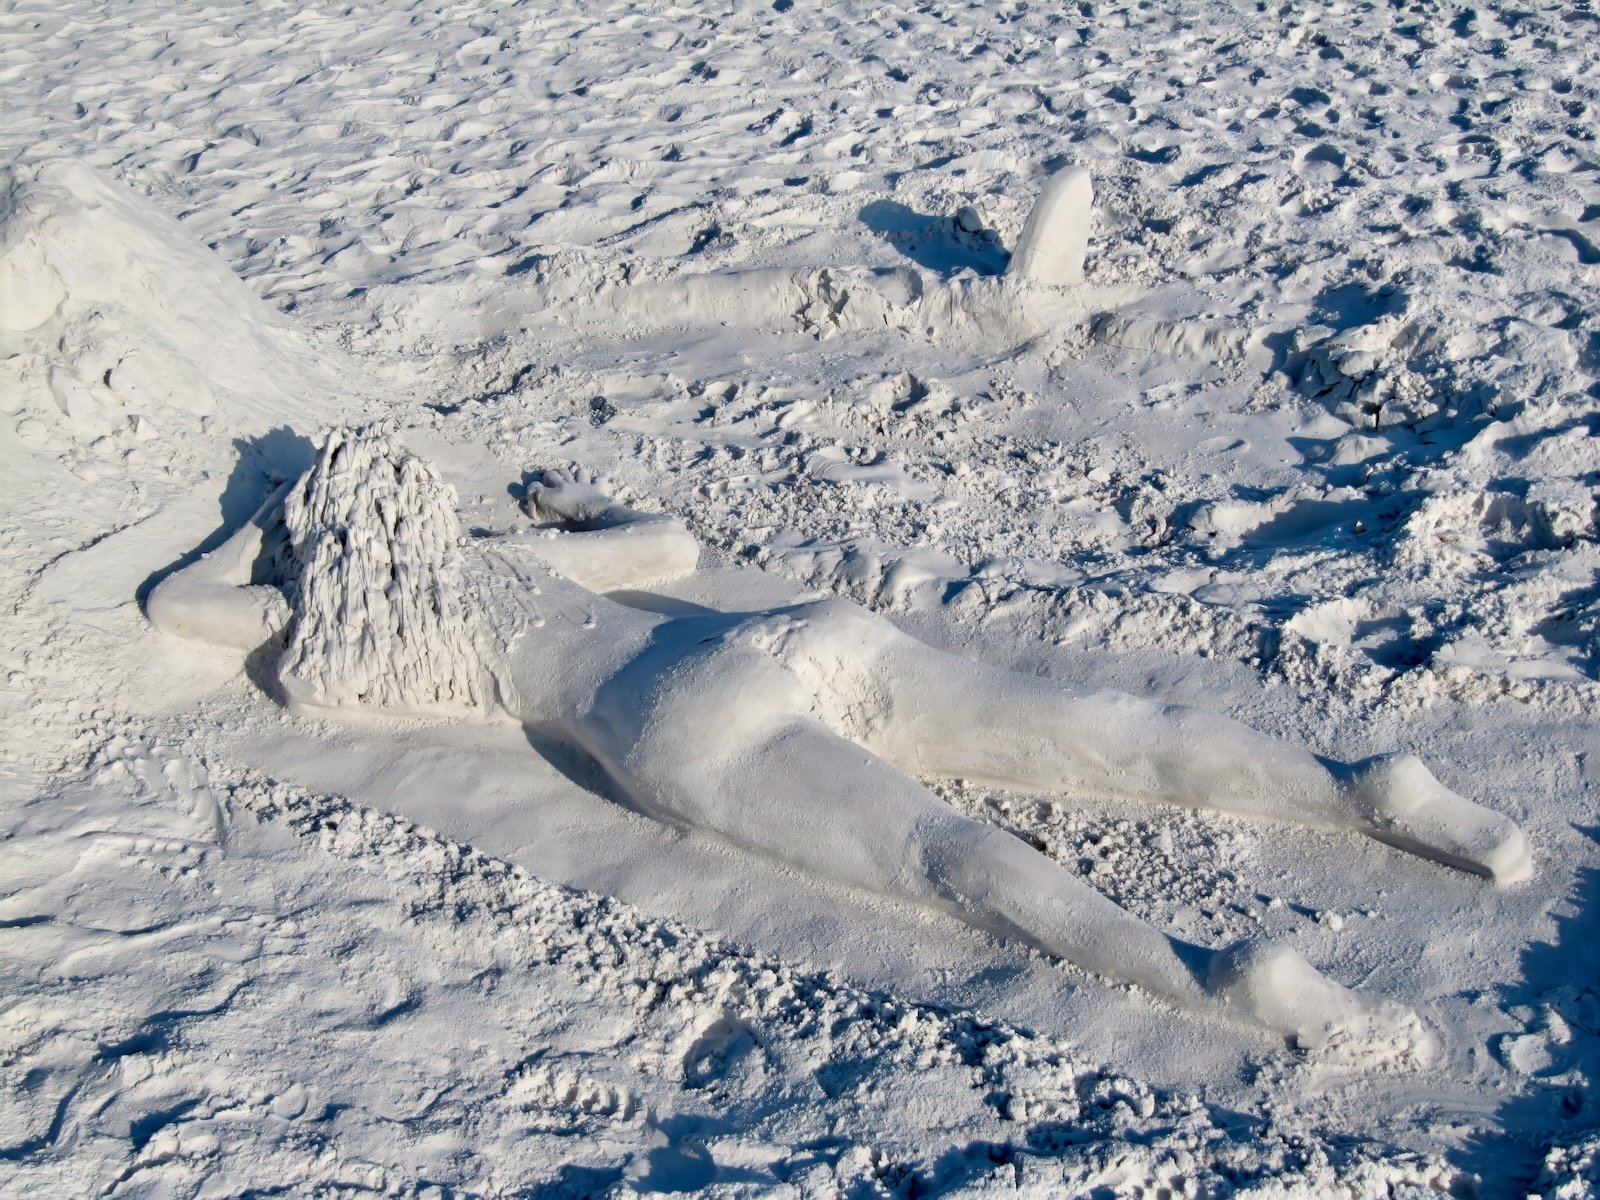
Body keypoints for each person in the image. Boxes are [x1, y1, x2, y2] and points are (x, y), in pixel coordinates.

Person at [147, 427, 1531, 1054]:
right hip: (777, 637)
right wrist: (573, 509)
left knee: (949, 857)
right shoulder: (512, 556)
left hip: (673, 720)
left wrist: (274, 522)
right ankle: (1367, 787)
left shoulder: (364, 623)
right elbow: (668, 544)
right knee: (1106, 730)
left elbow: (178, 610)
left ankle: (1217, 978)